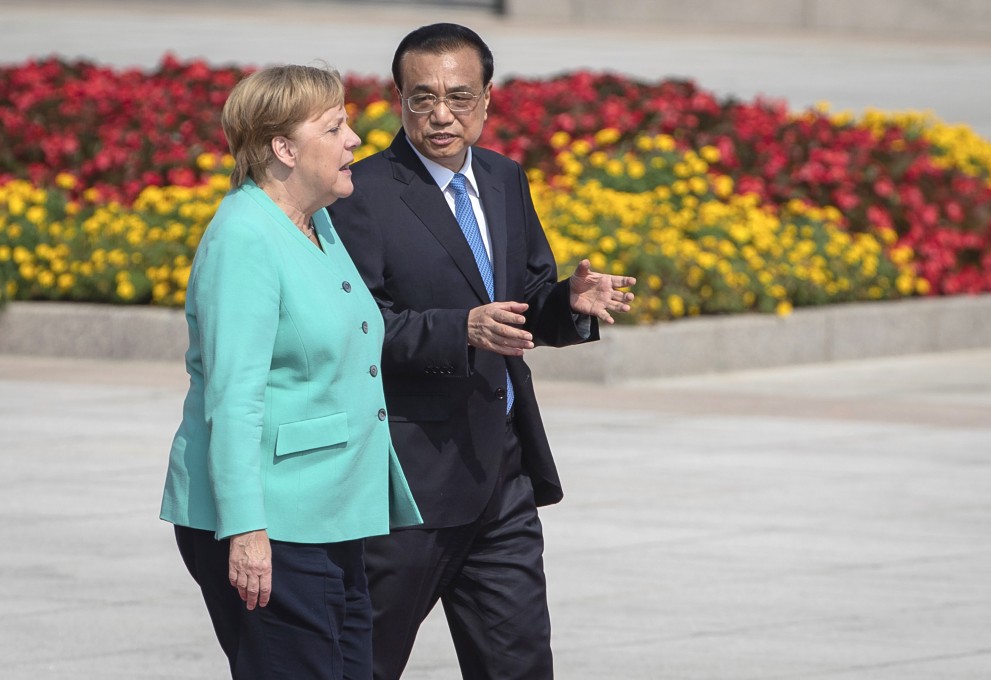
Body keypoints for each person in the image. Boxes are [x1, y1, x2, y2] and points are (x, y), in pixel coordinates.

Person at [327, 23, 636, 680]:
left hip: (501, 479)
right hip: (405, 488)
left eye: (460, 97)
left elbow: (521, 298)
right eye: (423, 97)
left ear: (488, 98)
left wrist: (567, 304)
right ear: (398, 98)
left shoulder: (502, 177)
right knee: (361, 665)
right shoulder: (363, 194)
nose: (442, 114)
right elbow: (358, 329)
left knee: (519, 665)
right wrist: (459, 328)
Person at [160, 64, 421, 680]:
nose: (355, 139)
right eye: (334, 127)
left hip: (327, 510)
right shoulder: (245, 237)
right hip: (273, 522)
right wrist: (247, 530)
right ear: (283, 149)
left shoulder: (316, 221)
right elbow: (234, 397)